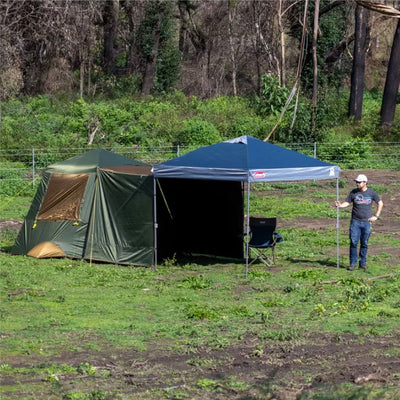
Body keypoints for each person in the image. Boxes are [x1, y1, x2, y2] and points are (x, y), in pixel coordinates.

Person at [335, 174, 383, 271]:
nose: (357, 183)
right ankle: (352, 263)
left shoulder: (371, 193)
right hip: (355, 222)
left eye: (359, 182)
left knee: (364, 243)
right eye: (356, 182)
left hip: (366, 222)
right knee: (353, 242)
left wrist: (376, 216)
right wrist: (340, 205)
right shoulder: (353, 192)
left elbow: (380, 203)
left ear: (365, 182)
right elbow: (347, 202)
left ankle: (362, 263)